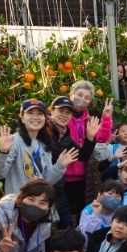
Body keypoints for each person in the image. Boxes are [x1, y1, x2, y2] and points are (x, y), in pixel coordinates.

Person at [0, 99, 78, 195]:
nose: (35, 117)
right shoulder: (14, 142)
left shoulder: (44, 145)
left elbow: (48, 180)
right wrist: (3, 152)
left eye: (40, 114)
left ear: (45, 118)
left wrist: (60, 165)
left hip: (39, 201)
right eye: (30, 113)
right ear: (22, 117)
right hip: (18, 202)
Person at [48, 96, 105, 228]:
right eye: (60, 110)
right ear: (51, 111)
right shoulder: (44, 131)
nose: (64, 115)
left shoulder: (65, 135)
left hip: (57, 186)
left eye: (68, 112)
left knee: (66, 223)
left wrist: (90, 137)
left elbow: (83, 155)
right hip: (41, 186)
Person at [64, 82, 114, 221]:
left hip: (83, 174)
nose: (82, 100)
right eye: (79, 95)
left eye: (87, 97)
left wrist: (106, 117)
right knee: (63, 213)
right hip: (62, 174)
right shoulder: (62, 119)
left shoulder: (89, 121)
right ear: (71, 95)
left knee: (82, 210)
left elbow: (103, 137)